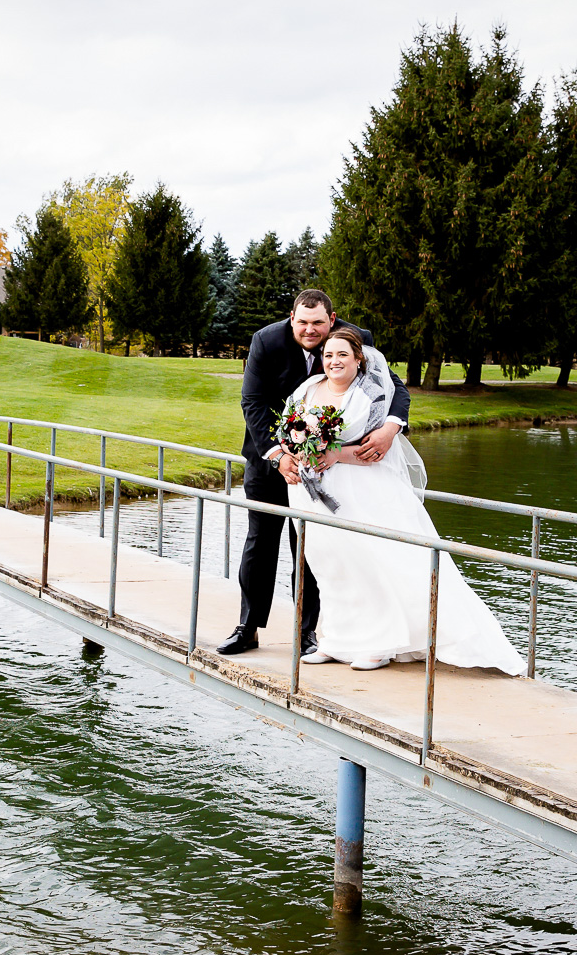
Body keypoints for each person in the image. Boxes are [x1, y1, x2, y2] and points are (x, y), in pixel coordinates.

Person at [279, 327, 524, 673]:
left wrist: (333, 455)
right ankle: (336, 640)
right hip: (310, 493)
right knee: (330, 565)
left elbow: (372, 451)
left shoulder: (367, 396)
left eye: (342, 355)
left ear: (358, 359)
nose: (334, 361)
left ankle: (378, 646)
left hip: (358, 490)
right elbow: (287, 429)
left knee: (369, 563)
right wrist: (296, 450)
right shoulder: (308, 389)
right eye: (328, 355)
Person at [217, 288, 409, 657]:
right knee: (260, 542)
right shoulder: (266, 341)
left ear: (331, 320)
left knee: (310, 548)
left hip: (326, 470)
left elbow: (394, 386)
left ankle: (308, 633)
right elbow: (252, 401)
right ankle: (248, 627)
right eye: (302, 322)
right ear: (292, 318)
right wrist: (277, 454)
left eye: (318, 323)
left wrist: (390, 427)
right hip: (269, 460)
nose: (309, 330)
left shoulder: (355, 341)